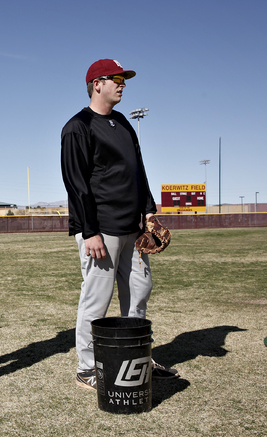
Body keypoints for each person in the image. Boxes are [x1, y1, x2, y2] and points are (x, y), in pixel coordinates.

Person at [60, 59, 178, 390]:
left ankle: (137, 358)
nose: (122, 84)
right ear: (97, 84)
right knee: (96, 299)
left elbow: (138, 170)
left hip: (133, 226)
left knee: (139, 292)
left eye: (123, 79)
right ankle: (86, 367)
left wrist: (148, 211)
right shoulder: (77, 126)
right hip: (101, 229)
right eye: (116, 79)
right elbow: (76, 183)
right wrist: (89, 231)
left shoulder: (123, 123)